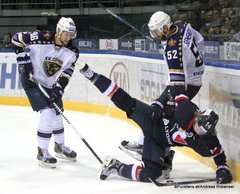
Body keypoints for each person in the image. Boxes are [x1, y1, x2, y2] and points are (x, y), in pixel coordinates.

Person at [79, 64, 232, 184]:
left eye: (203, 131)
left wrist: (222, 169)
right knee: (126, 102)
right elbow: (175, 86)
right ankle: (92, 76)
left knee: (151, 175)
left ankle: (116, 166)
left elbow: (218, 154)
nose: (198, 130)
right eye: (199, 124)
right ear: (199, 116)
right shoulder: (187, 110)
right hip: (154, 121)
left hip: (158, 143)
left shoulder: (208, 141)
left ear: (209, 132)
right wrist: (159, 103)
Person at [119, 11, 206, 177]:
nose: (155, 35)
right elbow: (200, 40)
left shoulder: (172, 47)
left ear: (165, 27)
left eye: (157, 31)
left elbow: (176, 81)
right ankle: (163, 155)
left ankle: (148, 145)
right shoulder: (182, 24)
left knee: (161, 113)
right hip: (194, 79)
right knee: (167, 115)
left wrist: (161, 100)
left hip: (185, 84)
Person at [11, 17, 79, 168]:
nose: (68, 37)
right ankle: (42, 152)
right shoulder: (41, 38)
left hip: (49, 84)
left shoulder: (72, 51)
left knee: (58, 112)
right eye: (66, 34)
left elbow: (66, 74)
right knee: (47, 113)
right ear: (59, 30)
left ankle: (60, 148)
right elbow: (16, 39)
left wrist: (57, 90)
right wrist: (23, 61)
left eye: (71, 34)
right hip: (31, 80)